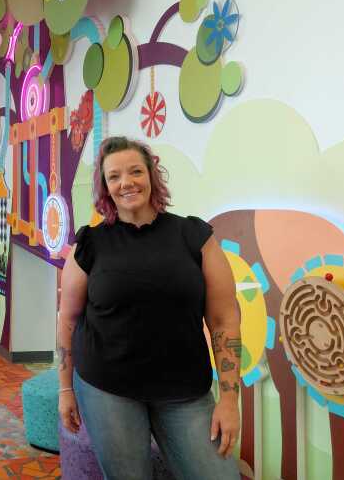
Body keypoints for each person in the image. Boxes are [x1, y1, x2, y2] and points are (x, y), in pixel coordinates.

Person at [57, 136, 241, 480]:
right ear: (105, 188)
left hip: (185, 389)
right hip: (106, 386)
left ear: (152, 176)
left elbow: (223, 319)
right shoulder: (91, 244)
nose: (126, 183)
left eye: (135, 172)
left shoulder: (194, 236)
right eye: (114, 177)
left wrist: (229, 399)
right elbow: (67, 320)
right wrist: (65, 389)